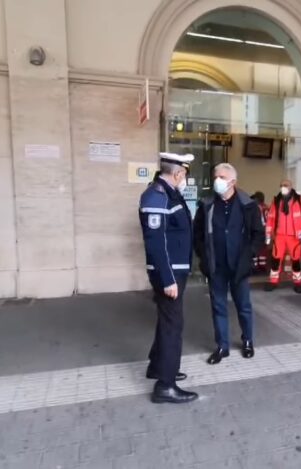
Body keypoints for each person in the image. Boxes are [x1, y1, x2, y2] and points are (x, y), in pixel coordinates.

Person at [138, 152, 198, 404]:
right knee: (174, 325)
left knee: (166, 320)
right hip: (169, 273)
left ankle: (158, 367)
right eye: (184, 173)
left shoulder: (168, 194)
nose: (184, 177)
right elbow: (156, 242)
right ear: (178, 173)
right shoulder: (156, 197)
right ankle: (166, 385)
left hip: (175, 270)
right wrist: (168, 279)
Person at [194, 164, 265, 365]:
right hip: (216, 266)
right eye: (216, 176)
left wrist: (248, 255)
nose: (218, 180)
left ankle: (248, 341)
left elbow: (258, 235)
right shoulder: (207, 205)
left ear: (233, 181)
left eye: (222, 177)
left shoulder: (248, 205)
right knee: (218, 306)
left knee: (243, 306)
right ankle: (222, 346)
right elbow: (197, 235)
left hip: (239, 266)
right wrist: (204, 257)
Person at [265, 179, 301, 293]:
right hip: (279, 235)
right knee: (275, 259)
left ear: (291, 186)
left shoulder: (300, 200)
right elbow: (270, 218)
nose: (283, 187)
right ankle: (273, 281)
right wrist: (268, 234)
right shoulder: (276, 201)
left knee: (295, 260)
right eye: (281, 185)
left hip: (294, 236)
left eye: (285, 185)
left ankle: (298, 283)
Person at [250, 191, 269, 272]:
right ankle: (262, 266)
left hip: (259, 230)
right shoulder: (267, 207)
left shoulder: (256, 208)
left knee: (255, 248)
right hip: (267, 230)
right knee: (263, 249)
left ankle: (255, 267)